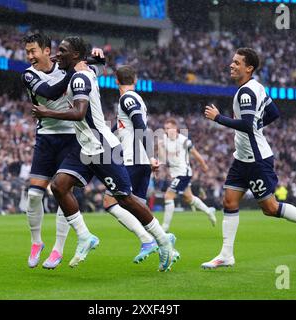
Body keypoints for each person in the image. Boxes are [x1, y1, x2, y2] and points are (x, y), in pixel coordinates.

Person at [32, 36, 180, 272]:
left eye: (62, 51)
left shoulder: (80, 78)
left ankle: (163, 242)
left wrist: (47, 113)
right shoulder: (79, 72)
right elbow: (61, 83)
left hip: (102, 148)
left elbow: (80, 113)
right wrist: (43, 65)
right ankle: (84, 236)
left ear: (76, 56)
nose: (57, 54)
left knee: (125, 199)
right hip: (84, 146)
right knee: (59, 186)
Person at [202, 47, 296, 269]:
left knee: (270, 208)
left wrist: (218, 118)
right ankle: (226, 255)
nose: (231, 65)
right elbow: (274, 113)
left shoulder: (246, 92)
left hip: (256, 159)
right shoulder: (257, 87)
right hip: (242, 158)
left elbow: (246, 125)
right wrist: (256, 126)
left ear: (249, 68)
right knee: (229, 201)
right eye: (232, 61)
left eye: (237, 62)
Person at [21, 33, 105, 269]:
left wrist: (95, 59)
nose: (30, 56)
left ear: (47, 51)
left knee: (61, 192)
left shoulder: (68, 66)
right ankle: (36, 243)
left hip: (71, 136)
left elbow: (90, 76)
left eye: (33, 51)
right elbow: (50, 93)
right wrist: (80, 65)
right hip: (46, 137)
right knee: (34, 195)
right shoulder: (29, 74)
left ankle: (58, 249)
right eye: (27, 52)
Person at [102, 65, 162, 264]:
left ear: (116, 81)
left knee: (109, 202)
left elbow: (140, 127)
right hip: (139, 161)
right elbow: (122, 127)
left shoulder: (127, 98)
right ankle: (165, 246)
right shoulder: (134, 99)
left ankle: (148, 241)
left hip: (132, 160)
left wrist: (151, 155)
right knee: (140, 209)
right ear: (135, 80)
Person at [159, 118, 216, 232]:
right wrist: (160, 147)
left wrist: (204, 165)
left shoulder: (184, 140)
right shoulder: (164, 139)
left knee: (168, 196)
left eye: (168, 128)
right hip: (175, 174)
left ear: (175, 129)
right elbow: (162, 158)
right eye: (165, 128)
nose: (166, 130)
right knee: (188, 198)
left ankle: (164, 229)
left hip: (183, 173)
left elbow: (196, 154)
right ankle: (208, 211)